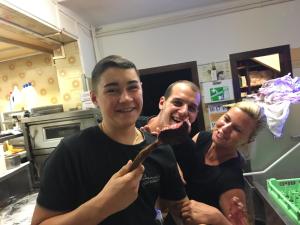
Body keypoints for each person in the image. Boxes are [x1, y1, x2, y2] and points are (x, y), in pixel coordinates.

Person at [31, 55, 190, 225]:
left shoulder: (161, 149)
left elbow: (179, 208)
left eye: (133, 88)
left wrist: (215, 218)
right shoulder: (71, 152)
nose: (126, 98)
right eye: (112, 90)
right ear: (94, 98)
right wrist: (105, 204)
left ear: (141, 89)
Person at [140, 80, 248, 225]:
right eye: (177, 103)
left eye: (191, 108)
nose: (184, 111)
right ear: (162, 103)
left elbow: (179, 202)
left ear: (196, 114)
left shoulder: (189, 151)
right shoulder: (133, 127)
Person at [186, 101, 266, 225]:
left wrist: (218, 218)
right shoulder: (201, 137)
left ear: (247, 141)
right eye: (226, 119)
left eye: (237, 129)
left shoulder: (231, 180)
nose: (224, 128)